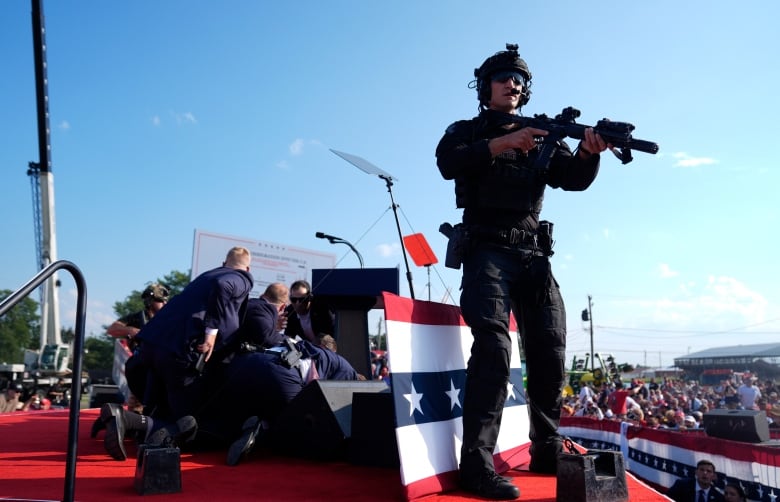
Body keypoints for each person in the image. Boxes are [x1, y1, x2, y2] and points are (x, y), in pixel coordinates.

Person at [435, 43, 607, 500]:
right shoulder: (465, 131)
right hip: (487, 250)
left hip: (533, 255)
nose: (514, 84)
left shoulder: (542, 133)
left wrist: (591, 152)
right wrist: (502, 142)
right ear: (485, 86)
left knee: (550, 348)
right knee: (492, 349)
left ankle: (547, 448)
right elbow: (447, 162)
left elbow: (572, 178)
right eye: (505, 77)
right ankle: (476, 464)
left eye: (520, 79)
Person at [104, 247, 253, 461]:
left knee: (161, 409)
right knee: (187, 423)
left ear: (223, 263)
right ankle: (126, 420)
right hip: (178, 352)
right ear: (247, 268)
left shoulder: (206, 276)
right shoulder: (240, 278)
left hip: (152, 347)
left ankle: (129, 424)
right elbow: (224, 286)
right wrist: (211, 333)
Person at [91, 283, 171, 438]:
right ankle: (120, 426)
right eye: (160, 300)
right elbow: (112, 329)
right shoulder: (137, 318)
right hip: (141, 369)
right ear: (149, 301)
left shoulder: (168, 318)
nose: (164, 303)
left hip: (161, 367)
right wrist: (132, 331)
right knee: (137, 406)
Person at [284, 280, 335, 345]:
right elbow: (289, 336)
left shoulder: (323, 310)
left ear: (309, 298)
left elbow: (332, 334)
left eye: (302, 300)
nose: (298, 303)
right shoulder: (289, 311)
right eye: (293, 299)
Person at [239, 282, 289, 349]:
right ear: (283, 307)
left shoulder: (252, 303)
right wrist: (291, 341)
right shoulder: (262, 310)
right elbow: (267, 339)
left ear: (262, 295)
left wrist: (274, 328)